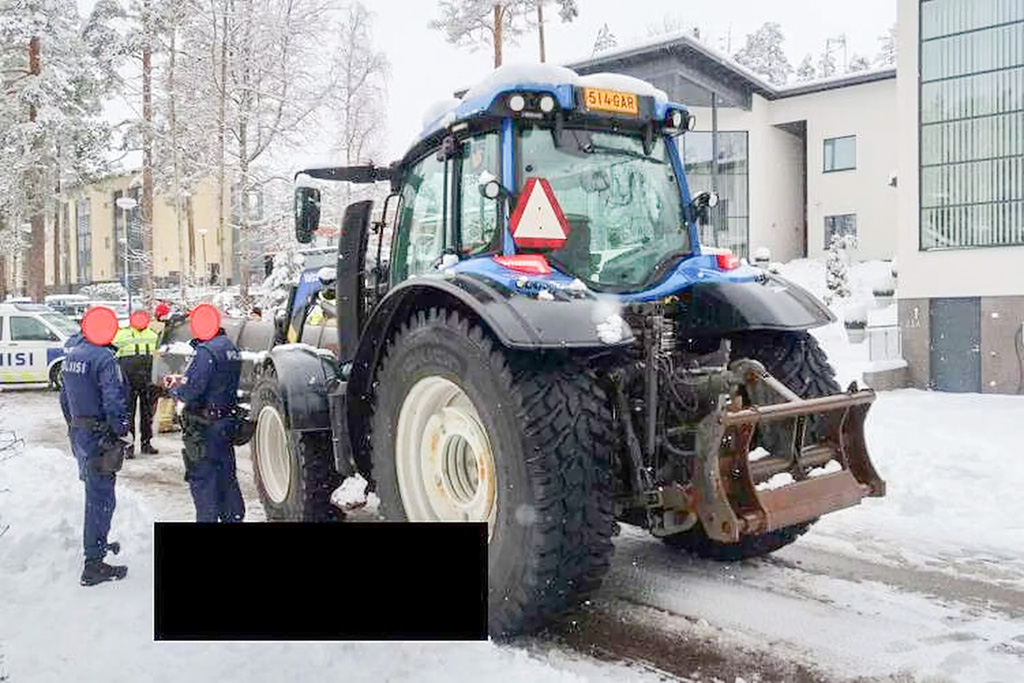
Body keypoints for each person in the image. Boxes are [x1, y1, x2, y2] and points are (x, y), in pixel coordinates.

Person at [59, 306, 131, 586]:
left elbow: (64, 399)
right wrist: (121, 430)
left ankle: (97, 545)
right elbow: (113, 401)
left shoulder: (72, 356)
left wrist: (74, 428)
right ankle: (94, 563)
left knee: (94, 492)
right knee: (101, 499)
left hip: (81, 434)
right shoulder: (103, 359)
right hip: (100, 437)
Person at [165, 304, 245, 523]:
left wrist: (174, 388)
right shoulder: (230, 348)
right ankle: (234, 518)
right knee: (227, 480)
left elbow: (192, 389)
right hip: (226, 422)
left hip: (205, 427)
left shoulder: (206, 352)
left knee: (204, 482)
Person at [113, 309, 161, 456]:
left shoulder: (154, 336)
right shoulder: (121, 335)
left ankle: (146, 443)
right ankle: (129, 446)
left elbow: (160, 358)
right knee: (129, 414)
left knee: (147, 415)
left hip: (148, 381)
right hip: (129, 381)